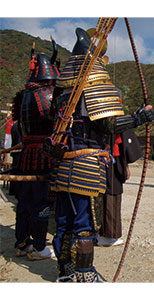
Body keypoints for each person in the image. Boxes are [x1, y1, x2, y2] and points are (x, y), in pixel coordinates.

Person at [48, 28, 154, 282]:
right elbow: (107, 125)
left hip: (63, 165)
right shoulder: (90, 85)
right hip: (85, 164)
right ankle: (84, 274)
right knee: (85, 222)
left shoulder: (62, 92)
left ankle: (65, 271)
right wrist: (138, 118)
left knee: (64, 220)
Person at [11, 38, 59, 260]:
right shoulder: (50, 94)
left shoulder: (23, 95)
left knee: (24, 201)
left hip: (26, 154)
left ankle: (22, 243)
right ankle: (40, 247)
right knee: (41, 202)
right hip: (43, 154)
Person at [97, 117, 143, 247]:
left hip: (95, 158)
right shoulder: (114, 117)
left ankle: (97, 232)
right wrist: (125, 165)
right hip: (110, 162)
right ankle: (107, 235)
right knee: (111, 192)